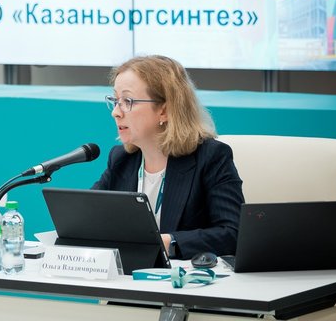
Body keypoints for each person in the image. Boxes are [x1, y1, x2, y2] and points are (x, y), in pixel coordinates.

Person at [91, 55, 244, 259]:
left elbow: (233, 233)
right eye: (115, 101)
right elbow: (89, 219)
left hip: (186, 276)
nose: (116, 113)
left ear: (164, 110)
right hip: (129, 274)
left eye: (127, 101)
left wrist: (167, 242)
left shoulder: (211, 157)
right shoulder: (121, 159)